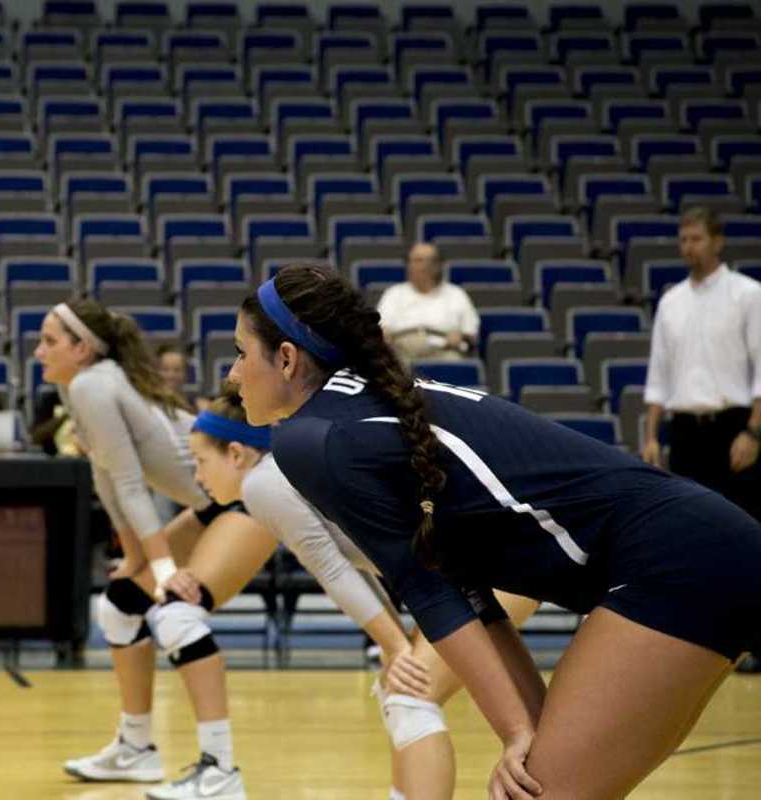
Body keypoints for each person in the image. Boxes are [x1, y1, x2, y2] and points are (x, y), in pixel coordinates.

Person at [229, 263, 761, 799]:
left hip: (676, 562)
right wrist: (524, 729)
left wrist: (516, 732)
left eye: (240, 353)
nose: (232, 375)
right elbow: (467, 593)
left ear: (287, 358)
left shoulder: (311, 439)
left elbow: (428, 591)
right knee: (536, 783)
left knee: (532, 790)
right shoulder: (366, 402)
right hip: (707, 545)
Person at [190, 391, 541, 800]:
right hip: (495, 569)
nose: (196, 475)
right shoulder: (280, 473)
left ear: (235, 453)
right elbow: (357, 567)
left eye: (200, 461)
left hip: (496, 572)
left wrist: (394, 647)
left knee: (411, 699)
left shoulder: (263, 483)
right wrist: (392, 644)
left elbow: (332, 570)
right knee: (408, 697)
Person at [39, 298, 272, 798]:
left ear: (82, 349)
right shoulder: (83, 387)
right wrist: (139, 559)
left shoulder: (92, 385)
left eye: (50, 341)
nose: (38, 351)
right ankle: (136, 748)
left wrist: (162, 566)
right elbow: (107, 481)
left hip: (249, 493)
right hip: (214, 500)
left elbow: (128, 483)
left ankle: (221, 769)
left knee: (175, 614)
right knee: (120, 607)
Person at [642, 206, 761, 520]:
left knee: (743, 522)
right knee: (692, 525)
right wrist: (651, 438)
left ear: (717, 242)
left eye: (696, 238)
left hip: (733, 428)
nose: (688, 247)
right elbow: (659, 377)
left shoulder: (748, 294)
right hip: (684, 434)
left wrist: (754, 433)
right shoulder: (670, 302)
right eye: (683, 240)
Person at [376, 243, 479, 364]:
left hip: (443, 349)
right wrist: (383, 333)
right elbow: (380, 328)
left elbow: (471, 332)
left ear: (437, 265)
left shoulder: (456, 294)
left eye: (424, 261)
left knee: (454, 360)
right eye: (414, 260)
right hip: (402, 350)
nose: (415, 265)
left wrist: (461, 336)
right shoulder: (394, 293)